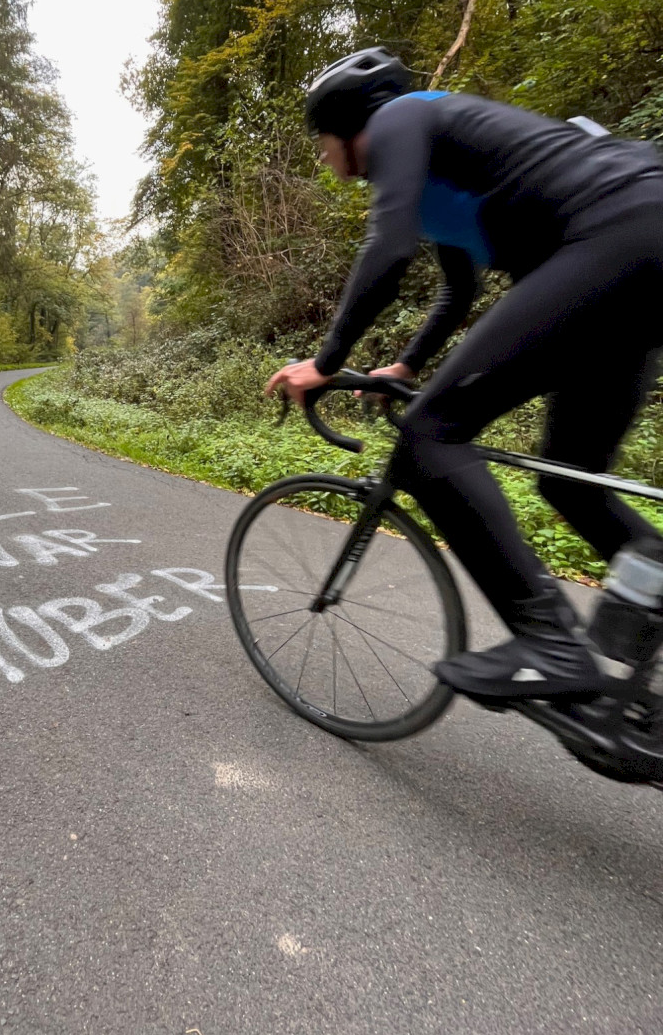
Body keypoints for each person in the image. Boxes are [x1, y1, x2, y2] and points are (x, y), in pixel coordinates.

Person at [265, 47, 663, 703]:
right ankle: (647, 605)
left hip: (610, 232)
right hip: (633, 254)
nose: (320, 155)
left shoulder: (398, 120)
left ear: (345, 126)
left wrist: (325, 362)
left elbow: (387, 252)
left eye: (319, 142)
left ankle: (550, 641)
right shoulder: (439, 180)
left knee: (428, 438)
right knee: (573, 477)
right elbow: (456, 290)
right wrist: (405, 363)